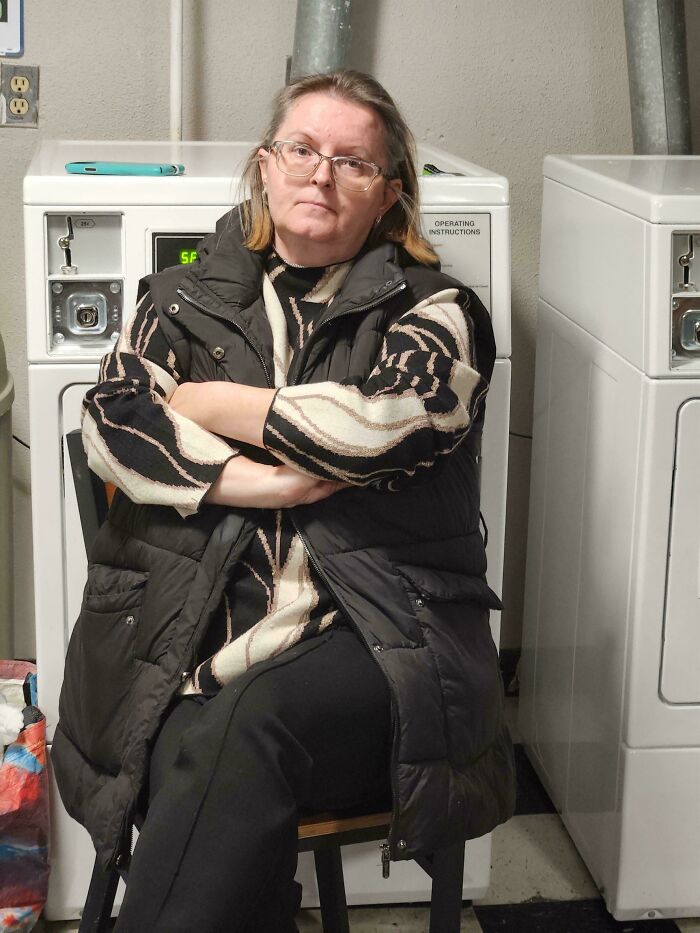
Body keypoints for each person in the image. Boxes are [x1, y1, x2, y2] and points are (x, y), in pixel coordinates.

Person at [53, 69, 515, 933]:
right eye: (301, 150)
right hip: (194, 633)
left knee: (237, 729)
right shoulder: (178, 302)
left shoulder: (439, 311)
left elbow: (383, 420)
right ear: (265, 167)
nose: (320, 175)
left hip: (382, 640)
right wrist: (269, 479)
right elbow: (113, 420)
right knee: (201, 746)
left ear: (388, 196)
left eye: (353, 161)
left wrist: (218, 407)